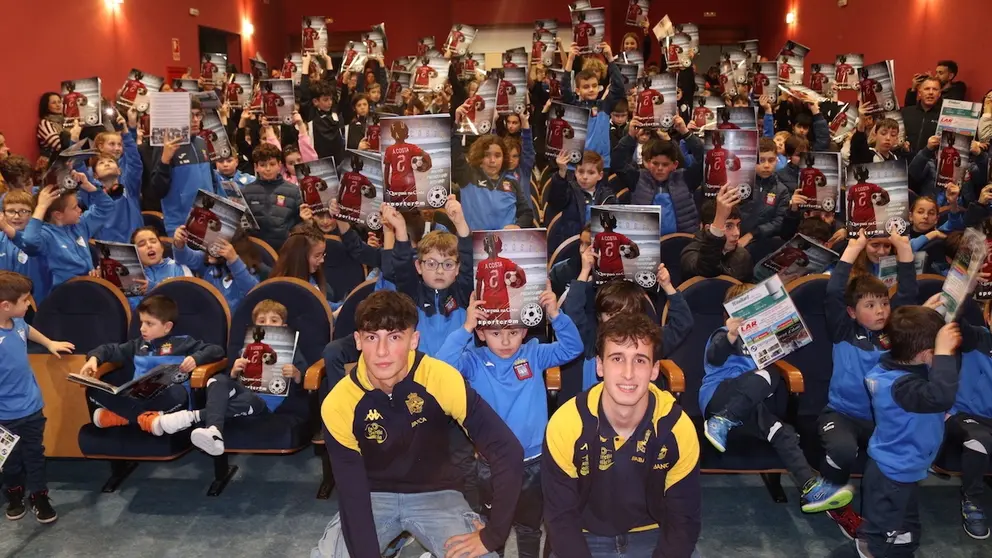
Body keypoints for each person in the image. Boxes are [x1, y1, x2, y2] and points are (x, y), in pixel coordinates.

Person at [311, 290, 524, 558]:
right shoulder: (339, 402)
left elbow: (507, 451)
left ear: (414, 340)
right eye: (371, 337)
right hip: (371, 496)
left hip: (437, 492)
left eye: (395, 337)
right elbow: (353, 494)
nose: (381, 351)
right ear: (357, 341)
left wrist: (492, 536)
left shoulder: (440, 378)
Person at [436, 285, 583, 558]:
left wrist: (555, 313)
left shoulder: (534, 353)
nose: (505, 341)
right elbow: (441, 367)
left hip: (535, 461)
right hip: (491, 464)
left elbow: (573, 348)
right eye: (495, 333)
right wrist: (466, 325)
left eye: (513, 332)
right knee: (493, 528)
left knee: (529, 527)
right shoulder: (473, 361)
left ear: (525, 331)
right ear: (481, 333)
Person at [542, 313, 701, 557]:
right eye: (617, 358)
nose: (628, 374)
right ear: (600, 366)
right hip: (583, 533)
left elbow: (684, 517)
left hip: (653, 531)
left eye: (640, 360)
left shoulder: (677, 427)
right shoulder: (567, 424)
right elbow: (560, 516)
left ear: (655, 370)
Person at [702, 283, 851, 515]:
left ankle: (809, 487)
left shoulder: (761, 340)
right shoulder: (721, 334)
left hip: (747, 408)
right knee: (768, 373)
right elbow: (715, 355)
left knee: (783, 431)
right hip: (719, 397)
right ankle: (721, 420)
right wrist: (731, 334)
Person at [820, 228, 918, 539]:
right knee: (843, 449)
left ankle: (888, 513)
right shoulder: (843, 330)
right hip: (841, 414)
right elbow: (834, 292)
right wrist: (854, 247)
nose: (880, 311)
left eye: (883, 305)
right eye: (870, 306)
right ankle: (835, 502)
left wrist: (903, 249)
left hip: (884, 419)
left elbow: (907, 295)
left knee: (897, 456)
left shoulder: (895, 333)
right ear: (852, 312)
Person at [856, 307, 961, 558]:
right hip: (894, 474)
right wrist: (944, 353)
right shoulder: (904, 388)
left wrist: (928, 313)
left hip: (901, 468)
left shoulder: (890, 365)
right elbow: (942, 397)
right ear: (926, 354)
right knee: (884, 534)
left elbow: (907, 340)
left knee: (904, 526)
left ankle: (900, 547)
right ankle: (871, 551)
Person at [149, 300, 307, 456]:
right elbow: (232, 383)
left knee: (249, 401)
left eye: (274, 320)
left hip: (266, 404)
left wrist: (296, 374)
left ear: (284, 326)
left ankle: (191, 417)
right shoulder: (247, 349)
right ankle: (214, 431)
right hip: (244, 392)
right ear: (254, 328)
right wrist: (234, 372)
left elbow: (304, 381)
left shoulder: (291, 350)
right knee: (217, 379)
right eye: (261, 321)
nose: (267, 324)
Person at [78, 295, 226, 434]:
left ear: (167, 327)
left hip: (167, 399)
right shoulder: (137, 345)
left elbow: (216, 350)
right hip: (137, 398)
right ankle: (147, 420)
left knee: (178, 393)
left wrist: (196, 358)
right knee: (94, 390)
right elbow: (109, 349)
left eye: (149, 323)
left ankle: (123, 418)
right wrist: (94, 359)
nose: (142, 328)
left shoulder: (182, 343)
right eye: (142, 322)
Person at [0, 271, 73, 524]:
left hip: (31, 408)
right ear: (6, 306)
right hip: (4, 416)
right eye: (24, 300)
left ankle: (39, 497)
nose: (29, 304)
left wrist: (49, 343)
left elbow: (28, 330)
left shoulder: (18, 323)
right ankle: (14, 495)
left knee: (35, 456)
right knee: (9, 461)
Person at [946, 304, 992, 539]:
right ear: (988, 317)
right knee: (979, 441)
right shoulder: (976, 337)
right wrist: (968, 282)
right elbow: (956, 314)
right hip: (965, 415)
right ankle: (972, 500)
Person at [150, 99, 226, 235]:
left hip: (207, 222)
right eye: (190, 116)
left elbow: (212, 182)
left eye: (198, 115)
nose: (196, 120)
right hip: (181, 226)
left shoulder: (202, 143)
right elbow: (157, 191)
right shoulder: (164, 147)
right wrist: (165, 160)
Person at [618, 117, 703, 234]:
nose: (660, 168)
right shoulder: (637, 178)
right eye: (655, 163)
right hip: (646, 245)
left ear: (675, 165)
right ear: (647, 162)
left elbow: (705, 159)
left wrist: (685, 133)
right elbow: (618, 163)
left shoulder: (686, 178)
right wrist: (630, 137)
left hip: (683, 244)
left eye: (665, 164)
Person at [22, 178, 114, 285]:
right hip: (62, 296)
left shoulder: (79, 225)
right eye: (75, 207)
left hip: (88, 289)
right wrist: (41, 206)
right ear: (58, 215)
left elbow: (106, 207)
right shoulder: (46, 236)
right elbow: (29, 241)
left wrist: (90, 188)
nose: (80, 210)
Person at [561, 42, 625, 168]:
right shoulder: (575, 106)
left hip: (602, 164)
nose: (591, 89)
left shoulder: (605, 105)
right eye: (586, 87)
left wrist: (610, 58)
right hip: (577, 164)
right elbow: (565, 90)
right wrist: (570, 60)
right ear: (578, 90)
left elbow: (619, 87)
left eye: (594, 86)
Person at [681, 185, 753, 282]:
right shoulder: (690, 254)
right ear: (707, 229)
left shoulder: (743, 255)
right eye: (728, 226)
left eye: (738, 225)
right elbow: (707, 271)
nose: (736, 233)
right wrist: (719, 219)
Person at [241, 143, 303, 251]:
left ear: (279, 165)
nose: (268, 169)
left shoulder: (294, 191)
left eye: (272, 164)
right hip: (255, 251)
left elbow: (299, 221)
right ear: (256, 167)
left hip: (285, 250)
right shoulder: (246, 191)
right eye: (263, 165)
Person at [737, 138, 789, 246]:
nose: (766, 165)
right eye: (761, 160)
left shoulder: (781, 191)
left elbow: (778, 222)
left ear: (776, 160)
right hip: (734, 237)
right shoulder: (739, 184)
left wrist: (752, 234)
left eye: (771, 160)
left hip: (761, 242)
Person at [902, 77, 943, 157]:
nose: (931, 92)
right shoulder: (905, 112)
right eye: (927, 89)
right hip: (905, 162)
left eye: (935, 89)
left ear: (939, 94)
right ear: (920, 93)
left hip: (931, 165)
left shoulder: (944, 116)